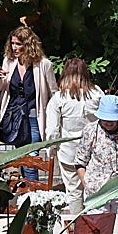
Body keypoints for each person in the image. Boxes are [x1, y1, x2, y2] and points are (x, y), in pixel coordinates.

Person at [0, 26, 59, 181]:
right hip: (14, 115)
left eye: (18, 44)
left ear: (28, 45)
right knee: (21, 156)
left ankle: (32, 191)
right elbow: (0, 90)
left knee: (31, 155)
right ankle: (27, 189)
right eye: (12, 43)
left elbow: (54, 92)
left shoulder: (44, 64)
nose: (14, 47)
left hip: (34, 115)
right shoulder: (9, 62)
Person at [44, 57, 103, 214]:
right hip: (94, 151)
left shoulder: (59, 98)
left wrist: (51, 150)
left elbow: (52, 130)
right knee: (95, 189)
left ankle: (78, 223)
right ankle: (95, 221)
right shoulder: (97, 93)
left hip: (69, 152)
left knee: (73, 191)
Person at [73, 94, 118, 226]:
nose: (108, 122)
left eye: (112, 119)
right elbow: (80, 162)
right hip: (97, 192)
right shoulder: (90, 131)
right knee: (98, 229)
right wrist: (86, 184)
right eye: (105, 119)